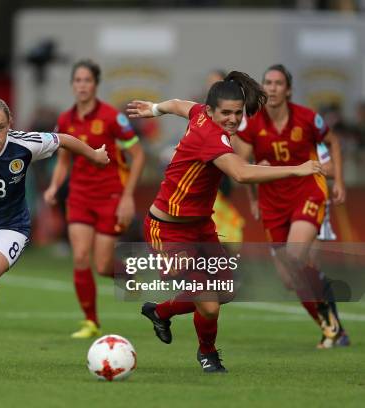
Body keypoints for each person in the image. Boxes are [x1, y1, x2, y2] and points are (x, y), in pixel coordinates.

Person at [126, 71, 324, 373]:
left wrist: (155, 108)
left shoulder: (201, 116)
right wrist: (297, 169)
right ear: (211, 111)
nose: (233, 119)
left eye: (237, 113)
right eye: (227, 113)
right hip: (167, 229)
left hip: (200, 227)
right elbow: (242, 173)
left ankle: (160, 311)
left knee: (227, 291)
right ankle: (207, 354)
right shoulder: (210, 136)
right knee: (209, 301)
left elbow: (180, 105)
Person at [0, 96, 109, 368]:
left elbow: (63, 139)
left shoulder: (24, 142)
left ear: (10, 124)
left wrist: (95, 155)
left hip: (11, 225)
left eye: (1, 127)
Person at [232, 64, 348, 348]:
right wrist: (254, 199)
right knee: (290, 279)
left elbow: (333, 143)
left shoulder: (308, 119)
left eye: (278, 83)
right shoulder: (253, 124)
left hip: (307, 193)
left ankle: (331, 330)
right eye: (267, 83)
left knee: (295, 259)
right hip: (272, 203)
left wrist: (340, 181)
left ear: (288, 89)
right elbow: (242, 168)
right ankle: (332, 326)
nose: (271, 88)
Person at [43, 59, 145, 338]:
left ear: (96, 85)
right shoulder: (65, 120)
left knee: (102, 266)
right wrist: (54, 187)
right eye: (77, 80)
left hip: (110, 195)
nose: (82, 85)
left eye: (87, 80)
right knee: (79, 256)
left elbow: (138, 156)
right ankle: (90, 321)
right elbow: (64, 160)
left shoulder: (112, 117)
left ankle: (124, 272)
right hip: (79, 196)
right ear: (72, 85)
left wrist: (127, 197)